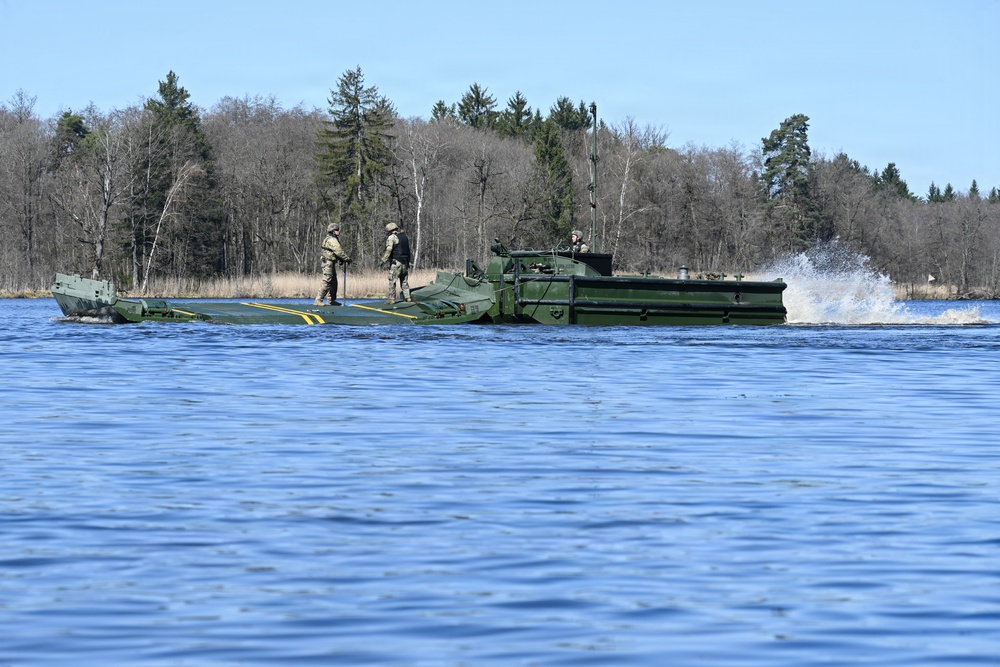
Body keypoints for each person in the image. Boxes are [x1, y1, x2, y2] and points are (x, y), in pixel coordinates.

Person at [315, 223, 351, 306]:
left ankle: (331, 300)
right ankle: (318, 300)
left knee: (334, 282)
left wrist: (340, 259)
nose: (339, 232)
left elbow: (333, 252)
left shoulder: (331, 239)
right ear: (333, 231)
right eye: (337, 230)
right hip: (328, 263)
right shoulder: (332, 240)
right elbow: (338, 251)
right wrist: (346, 259)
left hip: (330, 262)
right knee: (327, 281)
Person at [381, 222, 411, 303]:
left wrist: (383, 259)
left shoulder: (392, 237)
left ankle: (391, 299)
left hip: (396, 262)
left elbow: (389, 249)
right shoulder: (404, 236)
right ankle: (407, 297)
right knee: (404, 281)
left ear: (389, 230)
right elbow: (408, 250)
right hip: (405, 262)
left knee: (392, 280)